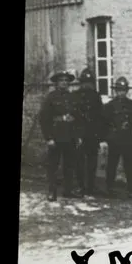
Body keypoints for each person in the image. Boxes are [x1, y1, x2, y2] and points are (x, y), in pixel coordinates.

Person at [39, 70, 80, 200]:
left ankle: (68, 190)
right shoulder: (51, 97)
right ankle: (52, 191)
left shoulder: (72, 97)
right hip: (56, 136)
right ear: (57, 83)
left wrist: (77, 135)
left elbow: (78, 118)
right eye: (61, 80)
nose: (64, 83)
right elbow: (44, 119)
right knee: (53, 165)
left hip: (70, 136)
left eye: (66, 81)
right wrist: (48, 138)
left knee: (69, 164)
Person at [103, 76, 132, 196]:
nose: (121, 92)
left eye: (123, 90)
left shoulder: (131, 104)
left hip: (127, 137)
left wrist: (128, 125)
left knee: (129, 162)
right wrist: (112, 133)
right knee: (112, 162)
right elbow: (106, 122)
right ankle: (109, 186)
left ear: (127, 91)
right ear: (115, 91)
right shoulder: (110, 105)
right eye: (119, 90)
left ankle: (131, 185)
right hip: (115, 138)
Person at [74, 68, 106, 196]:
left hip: (92, 134)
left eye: (89, 82)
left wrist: (100, 135)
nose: (87, 85)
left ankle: (91, 187)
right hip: (79, 134)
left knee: (92, 161)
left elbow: (100, 116)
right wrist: (75, 134)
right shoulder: (75, 96)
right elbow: (73, 116)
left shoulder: (96, 96)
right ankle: (81, 186)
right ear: (81, 83)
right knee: (79, 161)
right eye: (84, 82)